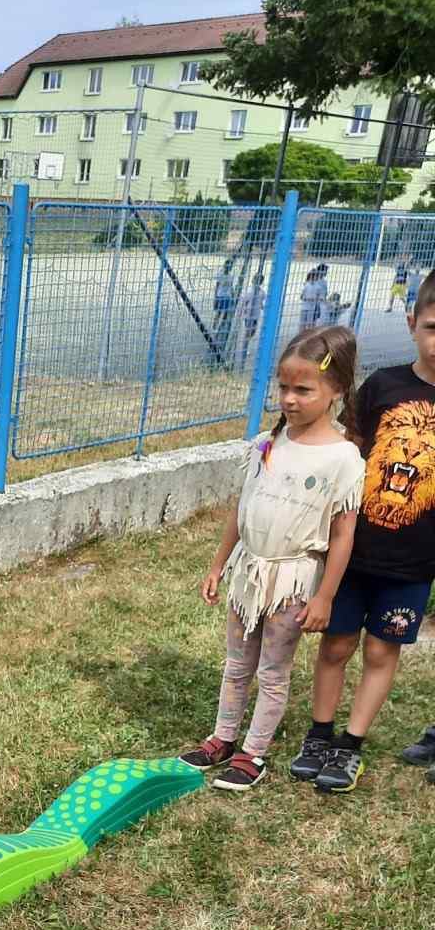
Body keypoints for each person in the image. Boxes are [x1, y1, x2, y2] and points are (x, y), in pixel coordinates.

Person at [181, 325, 364, 791]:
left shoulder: (343, 458)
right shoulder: (266, 443)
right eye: (284, 388)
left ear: (336, 390)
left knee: (272, 670)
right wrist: (218, 565)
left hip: (291, 583)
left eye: (303, 390)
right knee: (236, 664)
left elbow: (343, 535)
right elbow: (241, 511)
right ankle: (222, 738)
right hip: (248, 574)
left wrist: (325, 596)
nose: (289, 399)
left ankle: (253, 752)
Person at [292, 269, 435, 791]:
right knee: (335, 645)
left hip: (415, 563)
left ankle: (350, 745)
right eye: (433, 327)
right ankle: (319, 734)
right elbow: (346, 451)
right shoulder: (382, 386)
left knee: (380, 651)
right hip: (354, 550)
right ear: (412, 323)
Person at [236, 272, 266, 367]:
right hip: (248, 315)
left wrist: (262, 307)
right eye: (256, 280)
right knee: (248, 331)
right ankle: (244, 348)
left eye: (259, 281)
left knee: (253, 332)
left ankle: (246, 343)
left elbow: (260, 301)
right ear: (253, 280)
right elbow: (243, 302)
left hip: (256, 315)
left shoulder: (262, 292)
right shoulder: (249, 292)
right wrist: (240, 313)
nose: (257, 282)